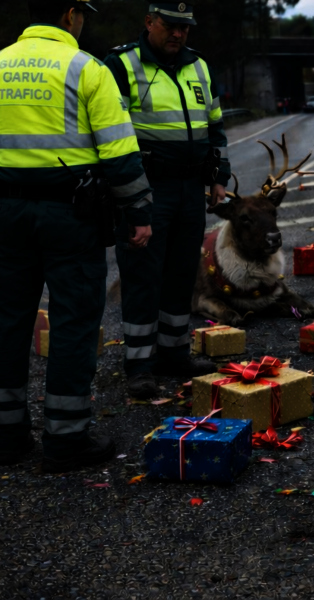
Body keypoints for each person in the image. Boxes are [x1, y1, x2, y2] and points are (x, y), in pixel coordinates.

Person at [0, 0, 153, 471]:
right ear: (69, 15)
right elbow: (119, 150)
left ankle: (6, 435)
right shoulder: (87, 68)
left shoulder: (1, 62)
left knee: (6, 320)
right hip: (71, 214)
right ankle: (65, 439)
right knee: (72, 322)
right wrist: (139, 211)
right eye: (83, 13)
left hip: (5, 212)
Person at [103, 2, 231, 398]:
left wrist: (219, 177)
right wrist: (129, 193)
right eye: (170, 26)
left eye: (185, 28)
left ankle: (174, 352)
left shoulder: (199, 66)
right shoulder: (121, 65)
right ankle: (140, 364)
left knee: (180, 273)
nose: (178, 34)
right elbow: (110, 132)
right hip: (147, 187)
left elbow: (215, 124)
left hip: (190, 189)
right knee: (142, 276)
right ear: (149, 22)